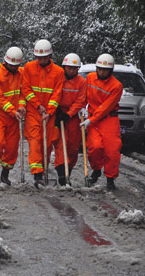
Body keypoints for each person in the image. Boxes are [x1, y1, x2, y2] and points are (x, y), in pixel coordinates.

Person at [22, 39, 64, 188]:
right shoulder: (28, 67)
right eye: (38, 57)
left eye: (44, 57)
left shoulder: (58, 72)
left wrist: (49, 111)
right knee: (34, 141)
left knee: (46, 145)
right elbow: (26, 89)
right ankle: (37, 174)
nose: (41, 60)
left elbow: (57, 94)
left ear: (49, 56)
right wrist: (37, 105)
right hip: (34, 112)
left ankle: (43, 169)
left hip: (49, 114)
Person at [80, 53, 123, 190]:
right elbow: (84, 95)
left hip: (109, 119)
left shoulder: (116, 86)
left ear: (110, 70)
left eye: (105, 70)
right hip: (93, 118)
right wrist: (82, 106)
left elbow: (106, 107)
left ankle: (110, 178)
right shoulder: (90, 78)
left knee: (112, 151)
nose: (102, 72)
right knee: (95, 147)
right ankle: (96, 169)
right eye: (99, 69)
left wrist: (90, 120)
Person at [0, 47, 25, 185]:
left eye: (17, 65)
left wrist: (21, 106)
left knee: (11, 147)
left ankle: (5, 174)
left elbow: (23, 93)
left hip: (14, 117)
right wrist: (12, 111)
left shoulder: (21, 73)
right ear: (6, 62)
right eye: (12, 65)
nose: (14, 68)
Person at [53, 53, 87, 185]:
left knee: (73, 147)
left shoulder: (82, 82)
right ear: (64, 67)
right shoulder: (58, 78)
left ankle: (69, 171)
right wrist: (56, 110)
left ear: (78, 69)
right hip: (58, 113)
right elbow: (53, 94)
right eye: (68, 68)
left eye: (74, 68)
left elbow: (80, 100)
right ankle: (62, 174)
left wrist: (69, 114)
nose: (71, 70)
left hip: (72, 117)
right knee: (61, 144)